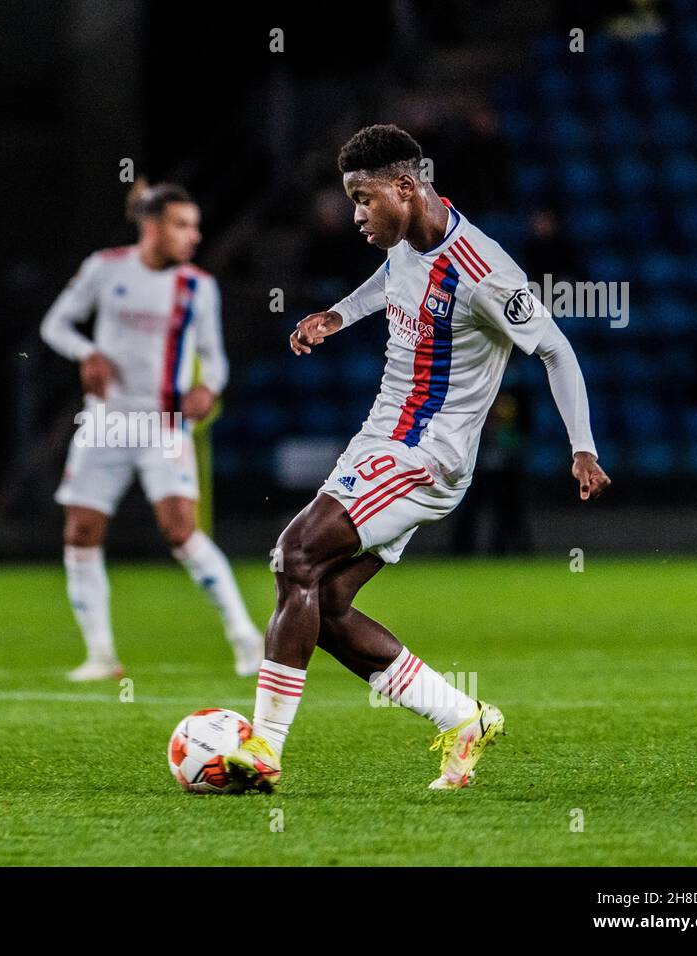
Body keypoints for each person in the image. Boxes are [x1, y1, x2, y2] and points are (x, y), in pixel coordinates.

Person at [224, 125, 610, 791]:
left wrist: (582, 446)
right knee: (326, 604)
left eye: (363, 199)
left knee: (295, 556)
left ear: (405, 187)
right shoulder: (408, 241)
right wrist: (336, 317)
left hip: (425, 454)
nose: (355, 215)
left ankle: (262, 751)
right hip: (381, 441)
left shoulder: (484, 271)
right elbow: (389, 283)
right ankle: (462, 718)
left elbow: (554, 349)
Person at [40, 181, 263, 681]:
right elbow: (56, 325)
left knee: (180, 530)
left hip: (164, 424)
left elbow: (214, 357)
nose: (195, 236)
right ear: (153, 226)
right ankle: (100, 655)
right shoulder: (105, 267)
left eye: (195, 226)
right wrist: (87, 353)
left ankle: (246, 638)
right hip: (105, 420)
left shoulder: (197, 287)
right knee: (80, 531)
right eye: (183, 225)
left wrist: (209, 390)